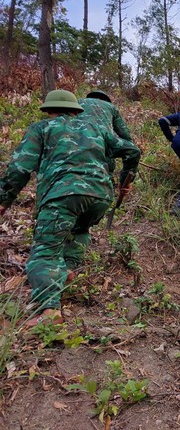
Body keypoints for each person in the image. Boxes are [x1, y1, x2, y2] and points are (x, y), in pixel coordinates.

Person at [0, 90, 141, 327]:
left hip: (63, 194)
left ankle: (49, 312)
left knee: (45, 251)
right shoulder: (99, 130)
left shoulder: (42, 128)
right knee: (79, 228)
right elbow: (132, 150)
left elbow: (19, 168)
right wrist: (125, 180)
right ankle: (67, 271)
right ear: (77, 110)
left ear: (48, 110)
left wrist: (4, 199)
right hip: (100, 196)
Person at [78, 90, 134, 173]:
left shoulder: (79, 102)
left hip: (77, 142)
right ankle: (109, 181)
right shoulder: (111, 107)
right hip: (102, 143)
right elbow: (123, 132)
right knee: (108, 163)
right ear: (106, 100)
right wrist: (128, 148)